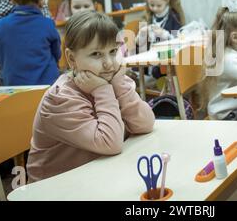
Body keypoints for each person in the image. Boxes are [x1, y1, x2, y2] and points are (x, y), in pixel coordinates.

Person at [26, 11, 155, 182]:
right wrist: (103, 90)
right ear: (72, 59)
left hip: (96, 175)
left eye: (113, 51)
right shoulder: (60, 99)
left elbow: (145, 124)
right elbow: (111, 143)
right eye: (96, 54)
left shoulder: (110, 80)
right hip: (55, 188)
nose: (109, 63)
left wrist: (119, 86)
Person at [0, 0, 61, 86]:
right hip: (46, 87)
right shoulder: (47, 24)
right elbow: (57, 54)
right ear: (42, 0)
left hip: (14, 89)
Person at [136, 0, 186, 79]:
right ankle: (143, 77)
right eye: (152, 5)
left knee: (158, 70)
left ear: (167, 0)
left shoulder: (174, 17)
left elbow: (178, 42)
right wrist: (141, 34)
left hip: (168, 58)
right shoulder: (147, 17)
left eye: (159, 5)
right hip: (150, 59)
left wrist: (164, 34)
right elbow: (139, 44)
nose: (154, 8)